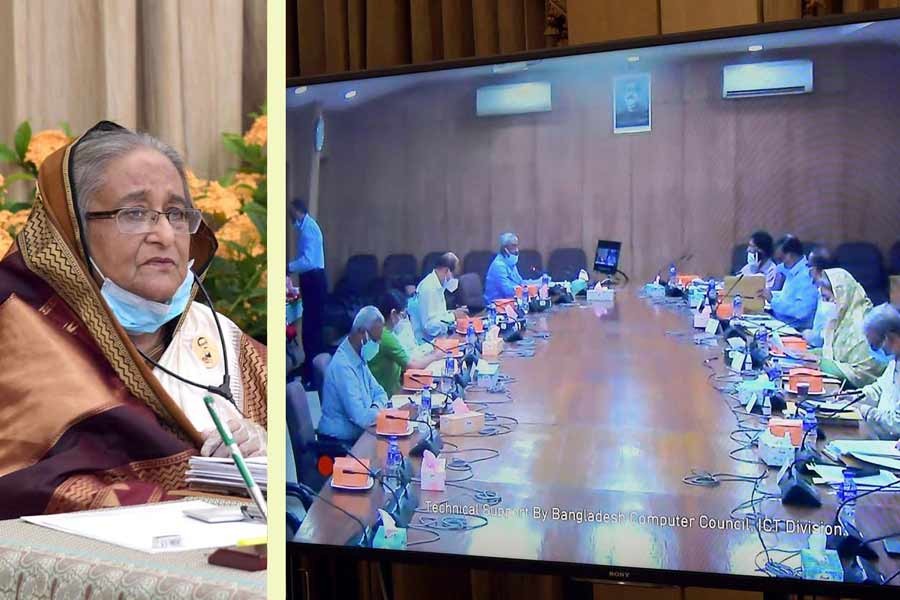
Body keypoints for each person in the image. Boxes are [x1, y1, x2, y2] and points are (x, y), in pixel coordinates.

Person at [0, 122, 267, 518]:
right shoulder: (20, 340)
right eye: (135, 212)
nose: (164, 234)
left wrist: (265, 447)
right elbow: (27, 487)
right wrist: (197, 502)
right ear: (72, 231)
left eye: (176, 214)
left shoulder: (221, 339)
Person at [317, 306, 389, 444]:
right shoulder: (343, 366)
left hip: (361, 434)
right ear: (362, 333)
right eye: (375, 340)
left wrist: (374, 409)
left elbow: (381, 393)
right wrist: (379, 411)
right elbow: (361, 418)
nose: (377, 345)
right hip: (340, 443)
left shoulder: (359, 357)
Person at [809, 269, 884, 388]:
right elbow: (833, 353)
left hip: (857, 394)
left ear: (842, 297)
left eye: (827, 299)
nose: (825, 304)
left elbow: (861, 374)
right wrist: (806, 355)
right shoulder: (841, 319)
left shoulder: (863, 325)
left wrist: (818, 361)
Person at [367, 290, 445, 397]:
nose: (402, 320)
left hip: (392, 389)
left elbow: (408, 359)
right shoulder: (385, 337)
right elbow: (412, 366)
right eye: (402, 315)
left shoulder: (383, 332)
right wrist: (436, 356)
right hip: (386, 397)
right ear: (393, 314)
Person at [845, 304, 900, 440]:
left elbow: (896, 424)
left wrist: (863, 410)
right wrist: (854, 397)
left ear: (891, 338)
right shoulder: (895, 360)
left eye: (875, 345)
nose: (873, 351)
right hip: (878, 436)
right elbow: (879, 389)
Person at [288, 197, 327, 378]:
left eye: (291, 213)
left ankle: (312, 371)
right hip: (311, 280)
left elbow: (308, 261)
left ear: (297, 211)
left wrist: (288, 267)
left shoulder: (309, 230)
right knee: (311, 325)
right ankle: (310, 368)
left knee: (312, 328)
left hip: (314, 280)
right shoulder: (305, 227)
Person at [763, 235, 817, 330]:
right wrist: (770, 294)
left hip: (796, 330)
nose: (780, 264)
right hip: (780, 322)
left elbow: (802, 312)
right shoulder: (793, 271)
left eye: (780, 259)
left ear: (789, 256)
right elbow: (788, 297)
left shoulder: (806, 276)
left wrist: (772, 299)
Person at [412, 252, 467, 341]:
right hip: (427, 343)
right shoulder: (429, 288)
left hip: (439, 338)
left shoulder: (438, 285)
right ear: (447, 271)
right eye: (455, 275)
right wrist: (453, 316)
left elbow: (437, 316)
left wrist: (453, 312)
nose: (456, 279)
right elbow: (429, 327)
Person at [802, 246, 835, 347]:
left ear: (814, 269)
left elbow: (821, 339)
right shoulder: (821, 289)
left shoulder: (829, 297)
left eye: (808, 266)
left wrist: (806, 333)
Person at [484, 232, 525, 304]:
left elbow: (521, 283)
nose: (517, 250)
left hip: (510, 305)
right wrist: (527, 290)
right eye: (514, 246)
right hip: (495, 308)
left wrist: (539, 283)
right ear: (505, 249)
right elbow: (508, 292)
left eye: (517, 246)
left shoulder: (510, 263)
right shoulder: (498, 266)